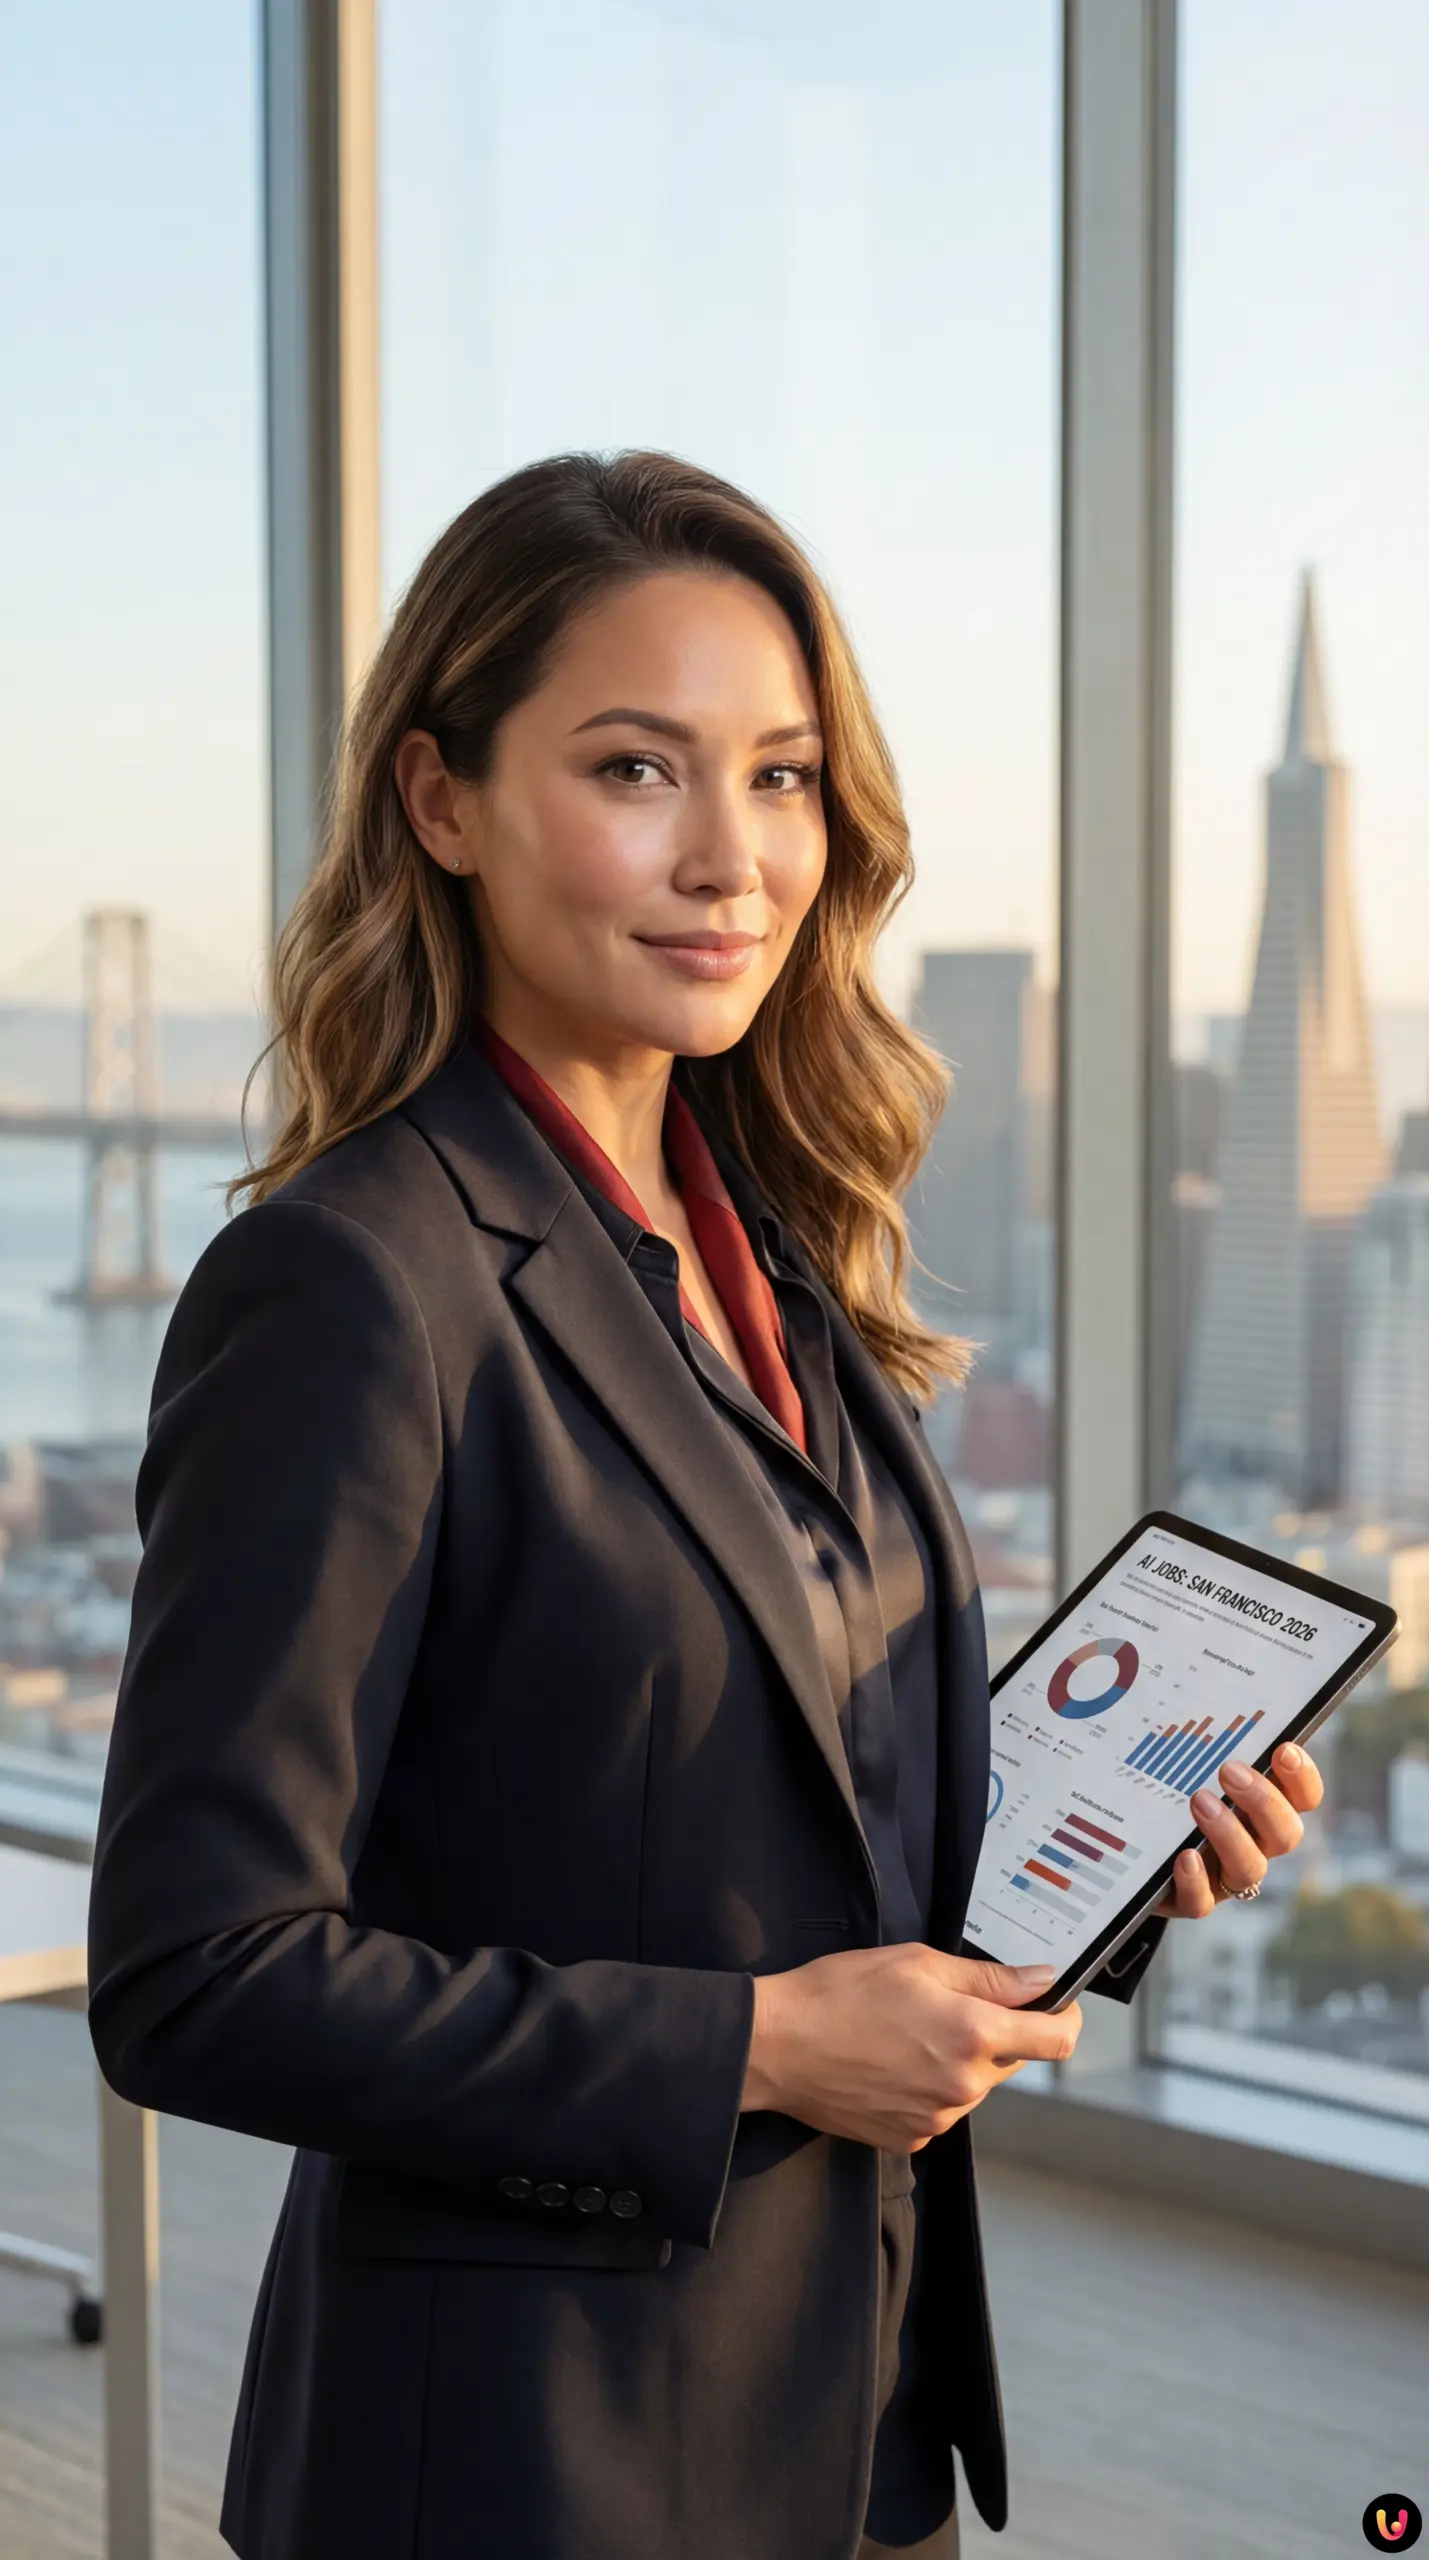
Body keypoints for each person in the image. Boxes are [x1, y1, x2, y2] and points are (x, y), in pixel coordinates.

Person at [87, 451, 1322, 2560]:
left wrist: (1093, 1849)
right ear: (442, 800)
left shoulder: (774, 1243)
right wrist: (755, 2044)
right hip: (518, 2471)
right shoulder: (351, 1280)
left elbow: (773, 1804)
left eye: (780, 778)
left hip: (853, 2433)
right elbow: (198, 1966)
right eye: (637, 768)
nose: (728, 858)